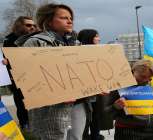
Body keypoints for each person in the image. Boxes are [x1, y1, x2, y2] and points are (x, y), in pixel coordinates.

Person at [20, 3, 77, 140]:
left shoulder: (76, 43)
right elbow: (29, 79)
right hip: (51, 111)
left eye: (70, 18)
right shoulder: (34, 43)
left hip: (78, 105)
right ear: (49, 21)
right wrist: (58, 93)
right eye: (64, 18)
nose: (69, 21)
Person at [105, 59, 153, 140]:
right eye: (143, 76)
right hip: (127, 132)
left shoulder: (149, 85)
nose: (146, 80)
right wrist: (115, 107)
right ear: (133, 71)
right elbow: (105, 112)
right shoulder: (119, 85)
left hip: (149, 131)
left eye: (149, 78)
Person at [3, 16, 36, 129]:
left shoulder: (36, 39)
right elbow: (6, 60)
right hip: (17, 79)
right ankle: (24, 125)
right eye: (28, 25)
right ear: (19, 25)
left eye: (33, 25)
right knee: (21, 104)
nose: (32, 27)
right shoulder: (9, 40)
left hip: (35, 77)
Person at [78, 29, 104, 140]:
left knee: (96, 118)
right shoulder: (77, 52)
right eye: (96, 36)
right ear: (89, 37)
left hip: (98, 93)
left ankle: (95, 136)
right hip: (83, 95)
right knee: (84, 120)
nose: (99, 38)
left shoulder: (99, 51)